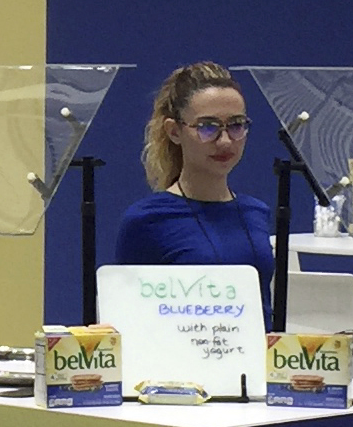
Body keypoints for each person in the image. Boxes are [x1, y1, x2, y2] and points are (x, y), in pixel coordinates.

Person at [110, 61, 274, 296]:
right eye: (208, 127)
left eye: (236, 125)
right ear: (174, 132)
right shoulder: (148, 220)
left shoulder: (255, 213)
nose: (225, 141)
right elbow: (128, 313)